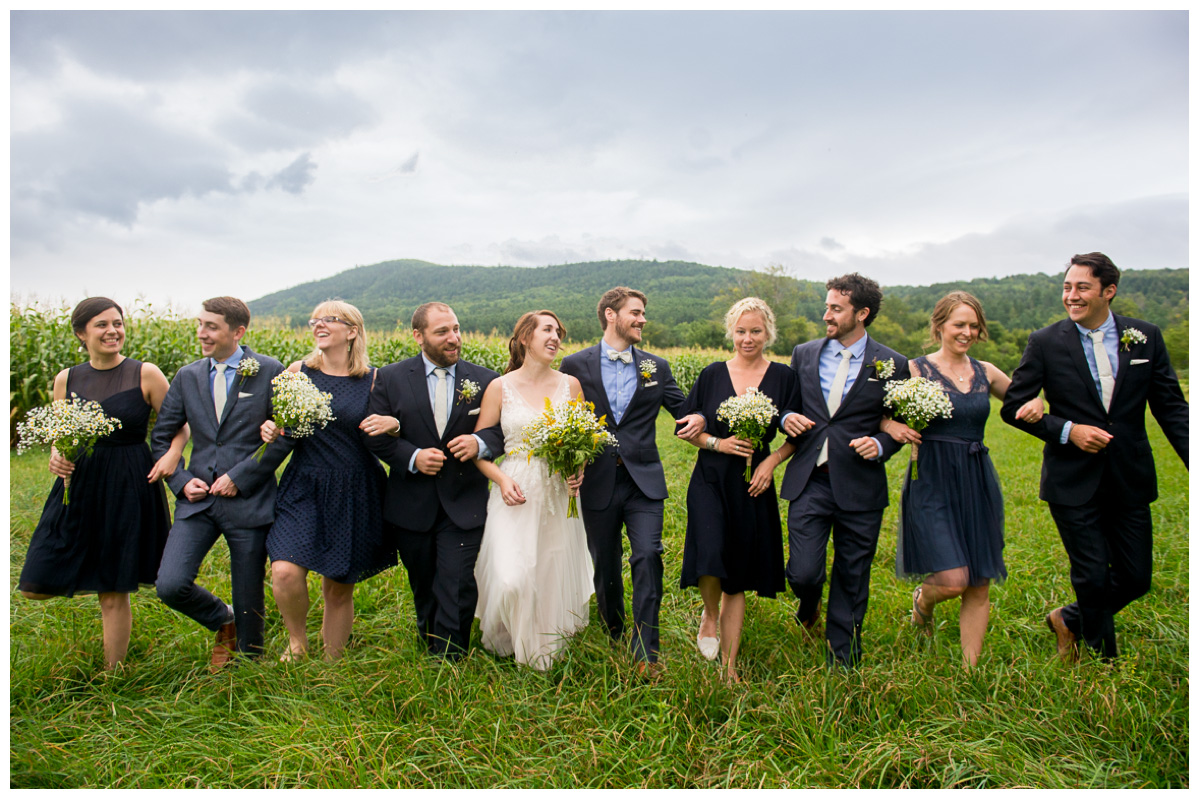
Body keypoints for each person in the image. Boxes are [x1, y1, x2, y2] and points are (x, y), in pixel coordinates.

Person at [1001, 252, 1188, 662]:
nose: (1072, 296)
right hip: (1072, 478)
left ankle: (1068, 619)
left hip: (1130, 474)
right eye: (1067, 287)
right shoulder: (1046, 341)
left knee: (1137, 578)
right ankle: (1104, 661)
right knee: (1090, 574)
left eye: (1082, 287)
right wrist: (1069, 431)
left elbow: (1172, 408)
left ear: (1109, 291)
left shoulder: (1146, 336)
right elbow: (1012, 406)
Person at [18, 297, 187, 670]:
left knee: (113, 587)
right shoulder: (67, 379)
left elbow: (179, 425)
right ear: (82, 334)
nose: (113, 331)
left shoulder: (146, 373)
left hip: (130, 481)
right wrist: (55, 453)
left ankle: (115, 674)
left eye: (117, 323)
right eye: (102, 325)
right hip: (78, 484)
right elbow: (61, 435)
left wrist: (173, 453)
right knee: (34, 583)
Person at [884, 291, 1044, 666]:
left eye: (974, 325)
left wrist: (1038, 400)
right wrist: (892, 426)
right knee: (953, 579)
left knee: (979, 578)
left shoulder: (987, 372)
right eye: (959, 324)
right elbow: (877, 413)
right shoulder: (914, 370)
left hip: (976, 476)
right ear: (940, 326)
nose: (967, 332)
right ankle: (923, 600)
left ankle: (970, 669)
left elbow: (1023, 399)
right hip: (932, 476)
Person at [559, 287, 705, 679]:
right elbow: (558, 418)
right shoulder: (574, 365)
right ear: (611, 314)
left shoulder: (656, 366)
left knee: (648, 556)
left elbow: (686, 408)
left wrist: (702, 419)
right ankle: (613, 630)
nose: (642, 320)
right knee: (604, 563)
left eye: (643, 314)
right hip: (597, 480)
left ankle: (646, 649)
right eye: (635, 313)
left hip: (644, 481)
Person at [778, 273, 909, 668]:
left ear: (862, 313)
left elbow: (899, 424)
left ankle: (843, 656)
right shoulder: (804, 353)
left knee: (853, 572)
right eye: (827, 306)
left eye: (836, 308)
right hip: (810, 480)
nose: (826, 315)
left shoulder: (892, 364)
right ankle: (810, 601)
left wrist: (882, 444)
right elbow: (787, 404)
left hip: (861, 484)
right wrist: (786, 419)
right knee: (802, 573)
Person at [152, 296, 291, 669]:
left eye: (211, 326)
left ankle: (250, 667)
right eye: (200, 324)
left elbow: (287, 434)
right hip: (197, 501)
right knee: (170, 584)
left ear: (238, 331)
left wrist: (240, 477)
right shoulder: (187, 375)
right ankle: (221, 619)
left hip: (249, 500)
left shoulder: (268, 370)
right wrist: (181, 481)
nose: (202, 333)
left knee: (249, 596)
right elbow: (162, 438)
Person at [363, 302, 505, 661]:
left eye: (456, 329)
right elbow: (373, 433)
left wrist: (480, 442)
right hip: (412, 503)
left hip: (464, 500)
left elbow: (501, 431)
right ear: (418, 336)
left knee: (457, 581)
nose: (453, 338)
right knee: (423, 582)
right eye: (442, 332)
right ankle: (429, 642)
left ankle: (450, 656)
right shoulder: (391, 378)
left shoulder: (485, 379)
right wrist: (412, 457)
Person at [259, 301, 395, 662]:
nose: (319, 324)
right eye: (315, 320)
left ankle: (333, 663)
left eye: (329, 320)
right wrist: (271, 427)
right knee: (285, 570)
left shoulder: (374, 380)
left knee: (338, 585)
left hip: (355, 486)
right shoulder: (296, 372)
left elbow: (396, 424)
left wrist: (394, 424)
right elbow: (280, 424)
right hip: (305, 483)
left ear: (352, 331)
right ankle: (297, 642)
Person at [678, 297, 800, 684]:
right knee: (711, 553)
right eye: (741, 331)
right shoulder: (712, 374)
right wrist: (719, 443)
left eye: (756, 331)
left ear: (768, 333)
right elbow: (690, 430)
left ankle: (729, 668)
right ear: (731, 331)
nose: (748, 339)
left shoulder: (783, 377)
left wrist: (771, 460)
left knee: (739, 571)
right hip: (711, 478)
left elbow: (796, 433)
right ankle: (709, 615)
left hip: (753, 483)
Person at [471, 311, 595, 671]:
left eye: (558, 331)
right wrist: (501, 479)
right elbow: (480, 450)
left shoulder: (570, 386)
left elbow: (582, 441)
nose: (555, 337)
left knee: (550, 570)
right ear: (525, 337)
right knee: (512, 577)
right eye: (547, 330)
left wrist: (578, 471)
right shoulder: (500, 387)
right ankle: (512, 638)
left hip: (558, 492)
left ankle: (539, 656)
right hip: (515, 488)